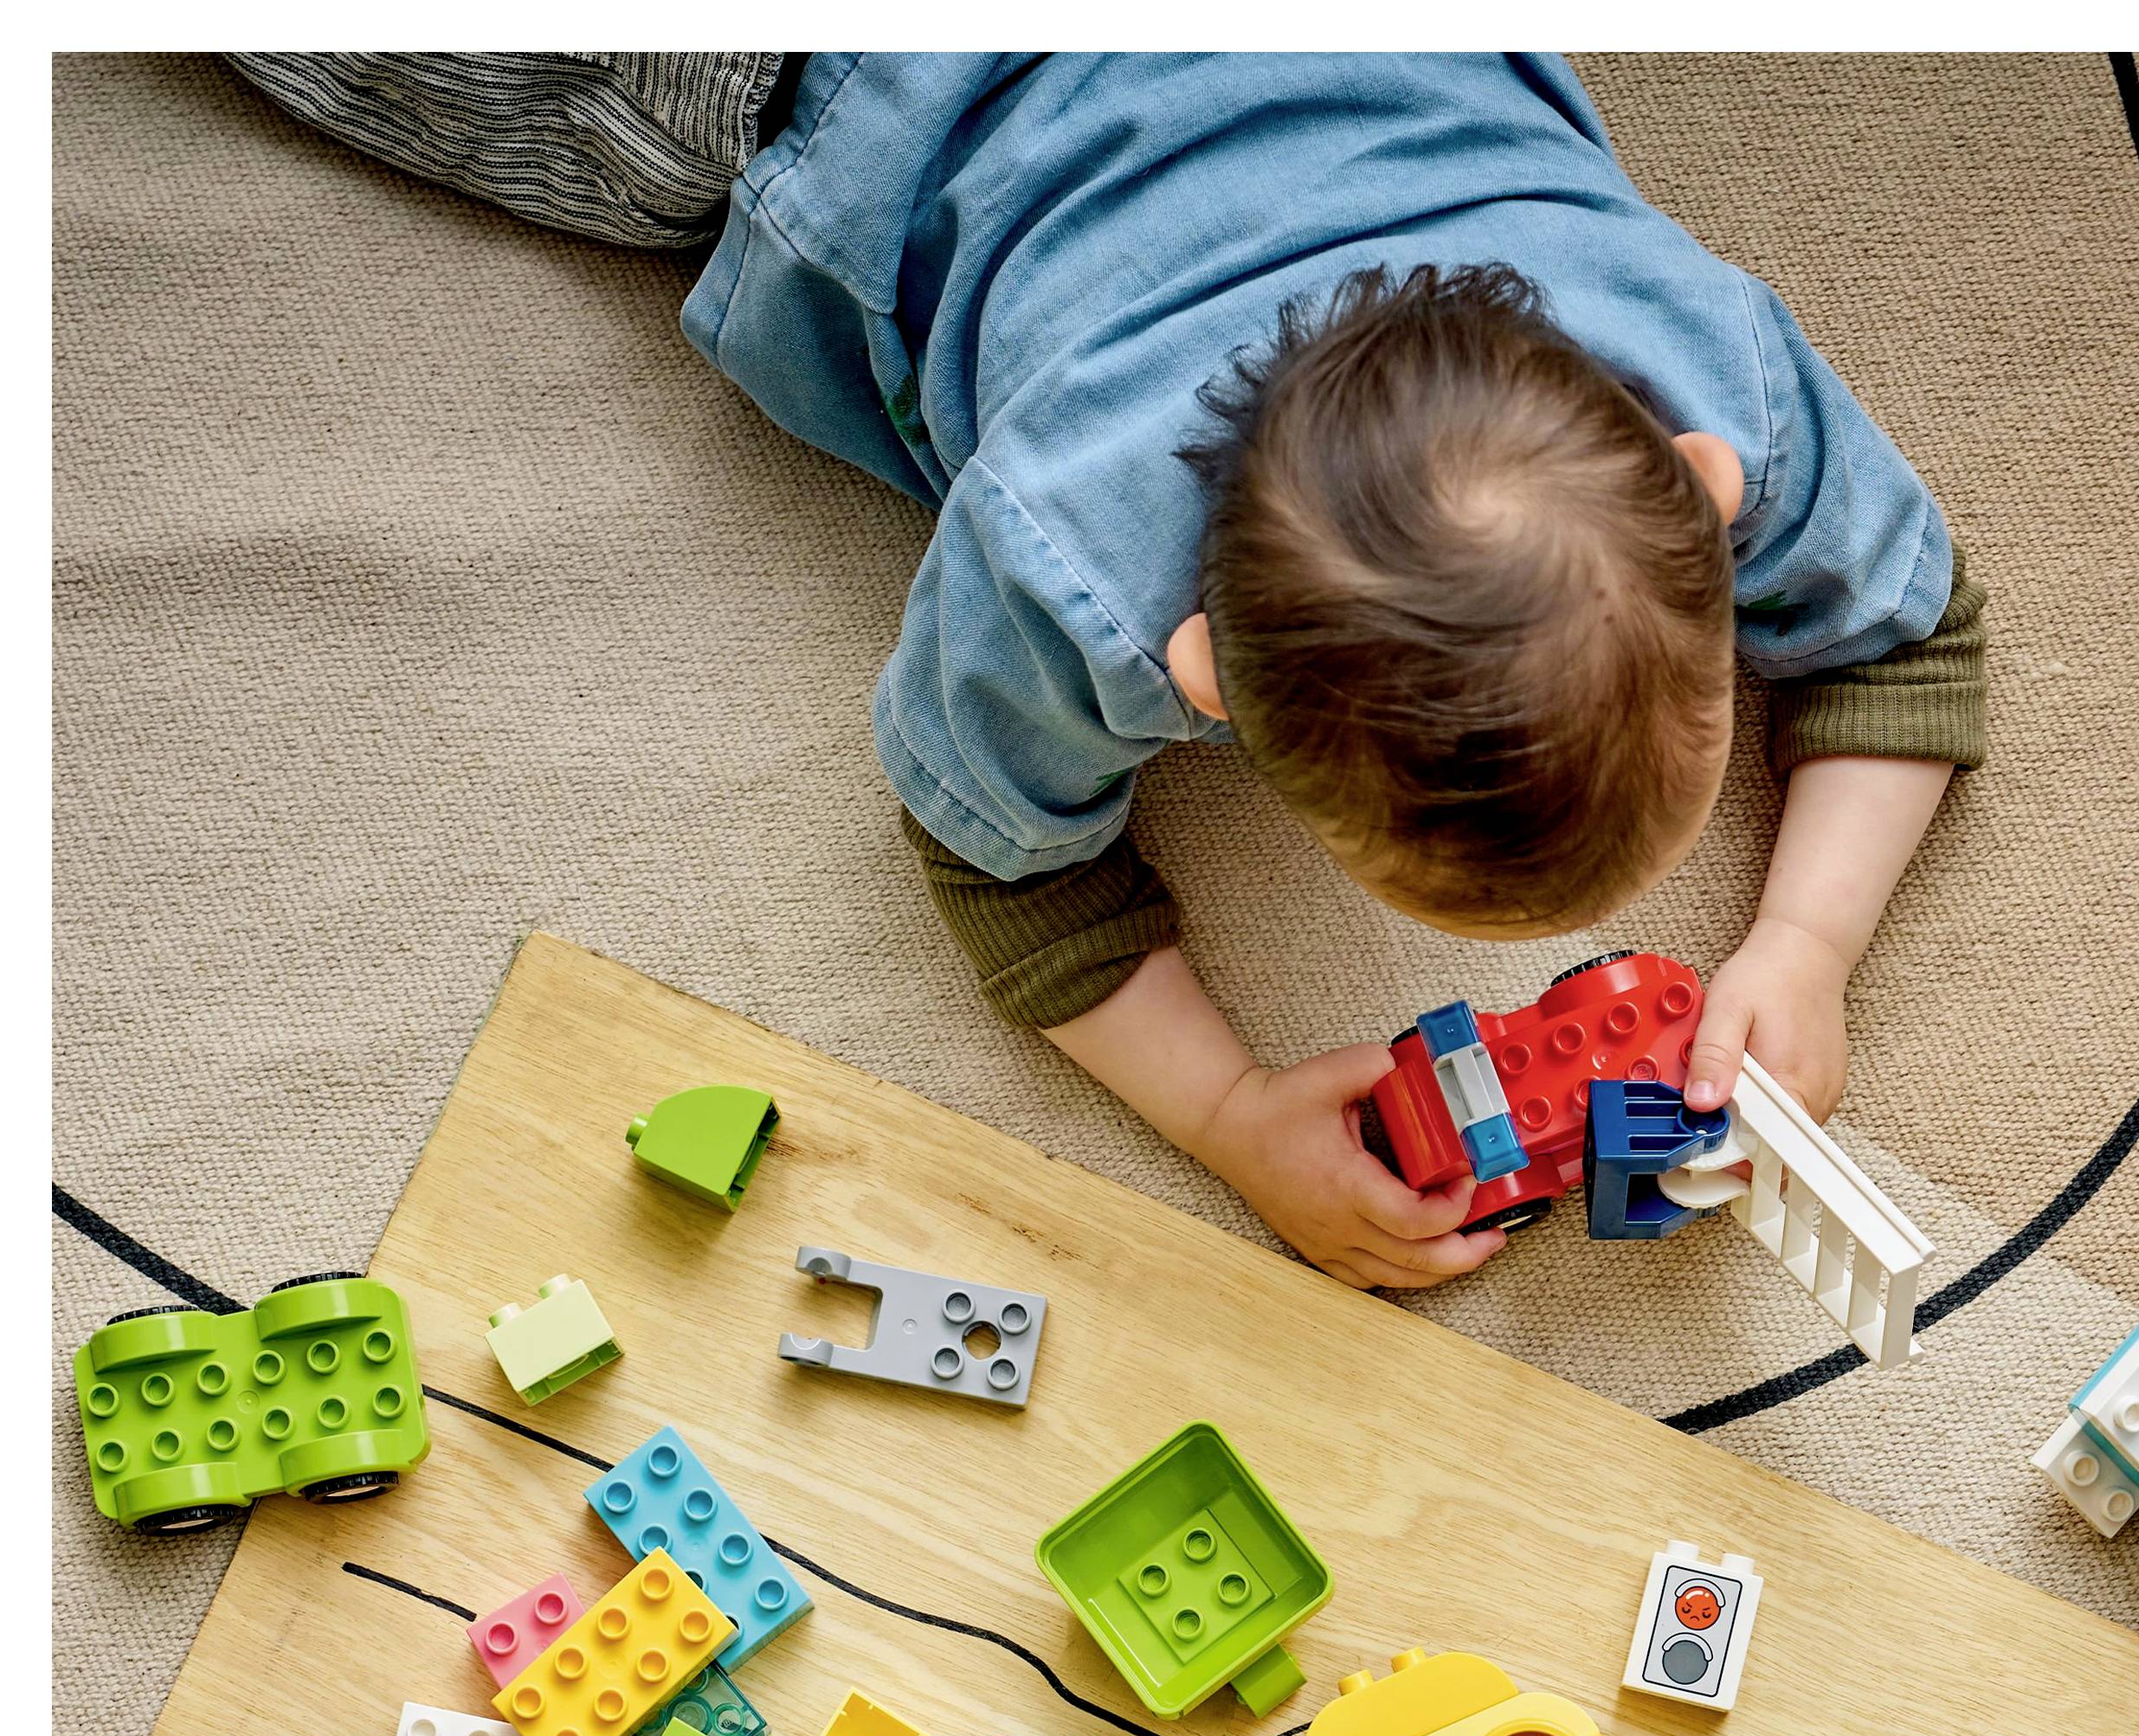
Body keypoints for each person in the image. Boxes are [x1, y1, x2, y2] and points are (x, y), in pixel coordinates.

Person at [234, 50, 1985, 1290]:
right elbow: (996, 857)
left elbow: (1912, 642)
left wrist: (1805, 946)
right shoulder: (1069, 581)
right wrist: (1223, 1115)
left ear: (1705, 489)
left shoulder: (1703, 357)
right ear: (1191, 677)